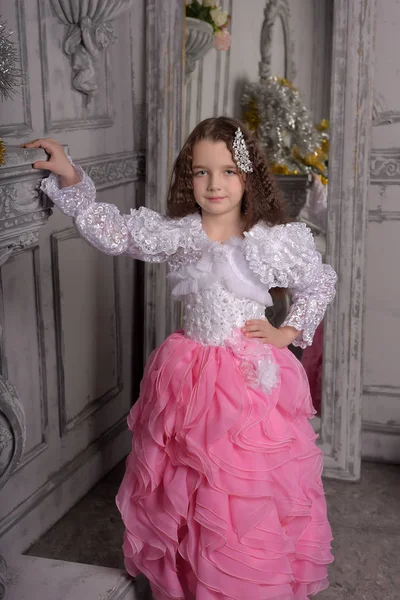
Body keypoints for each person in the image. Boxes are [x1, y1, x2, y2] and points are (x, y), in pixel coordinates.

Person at [23, 116, 336, 600]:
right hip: (188, 378)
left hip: (248, 384)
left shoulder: (273, 239)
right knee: (189, 485)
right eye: (202, 172)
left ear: (248, 174)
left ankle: (244, 581)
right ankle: (195, 583)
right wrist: (70, 177)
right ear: (187, 178)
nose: (215, 184)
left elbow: (319, 283)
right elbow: (118, 234)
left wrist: (286, 332)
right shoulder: (182, 234)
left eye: (229, 171)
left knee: (240, 487)